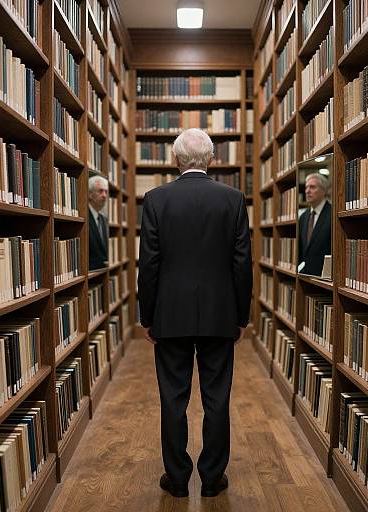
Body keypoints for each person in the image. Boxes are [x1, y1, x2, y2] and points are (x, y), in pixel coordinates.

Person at [138, 128, 253, 499]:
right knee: (217, 397)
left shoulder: (156, 199)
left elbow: (149, 264)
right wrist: (241, 315)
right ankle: (212, 477)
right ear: (212, 159)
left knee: (173, 398)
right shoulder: (233, 199)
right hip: (220, 315)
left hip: (170, 315)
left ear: (175, 160)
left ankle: (176, 478)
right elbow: (242, 263)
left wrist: (148, 316)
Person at [298, 172, 332, 276]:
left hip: (325, 278)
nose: (307, 191)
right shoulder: (303, 217)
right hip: (305, 275)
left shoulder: (333, 214)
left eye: (312, 187)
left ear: (324, 191)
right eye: (306, 187)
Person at [88, 175, 109, 270]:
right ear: (90, 194)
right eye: (100, 191)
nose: (104, 195)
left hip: (102, 274)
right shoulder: (83, 217)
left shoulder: (104, 219)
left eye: (106, 192)